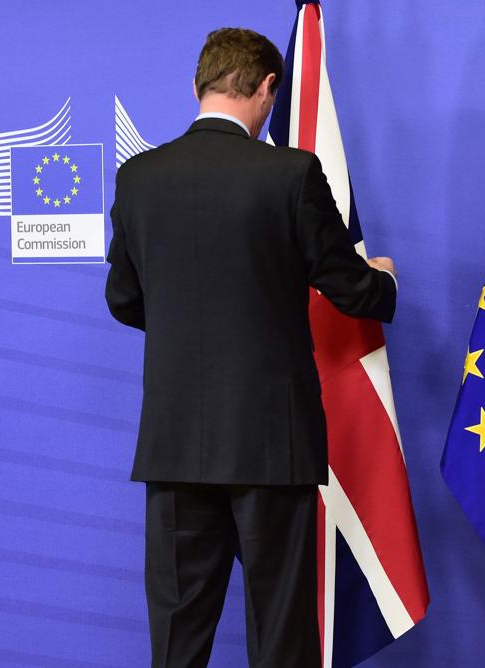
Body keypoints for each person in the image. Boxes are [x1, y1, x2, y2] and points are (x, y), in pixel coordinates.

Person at [104, 27, 397, 668]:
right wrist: (385, 278)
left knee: (177, 644)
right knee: (281, 638)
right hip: (273, 448)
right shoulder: (291, 174)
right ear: (268, 89)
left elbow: (123, 301)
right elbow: (349, 289)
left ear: (197, 87)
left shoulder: (138, 178)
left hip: (176, 449)